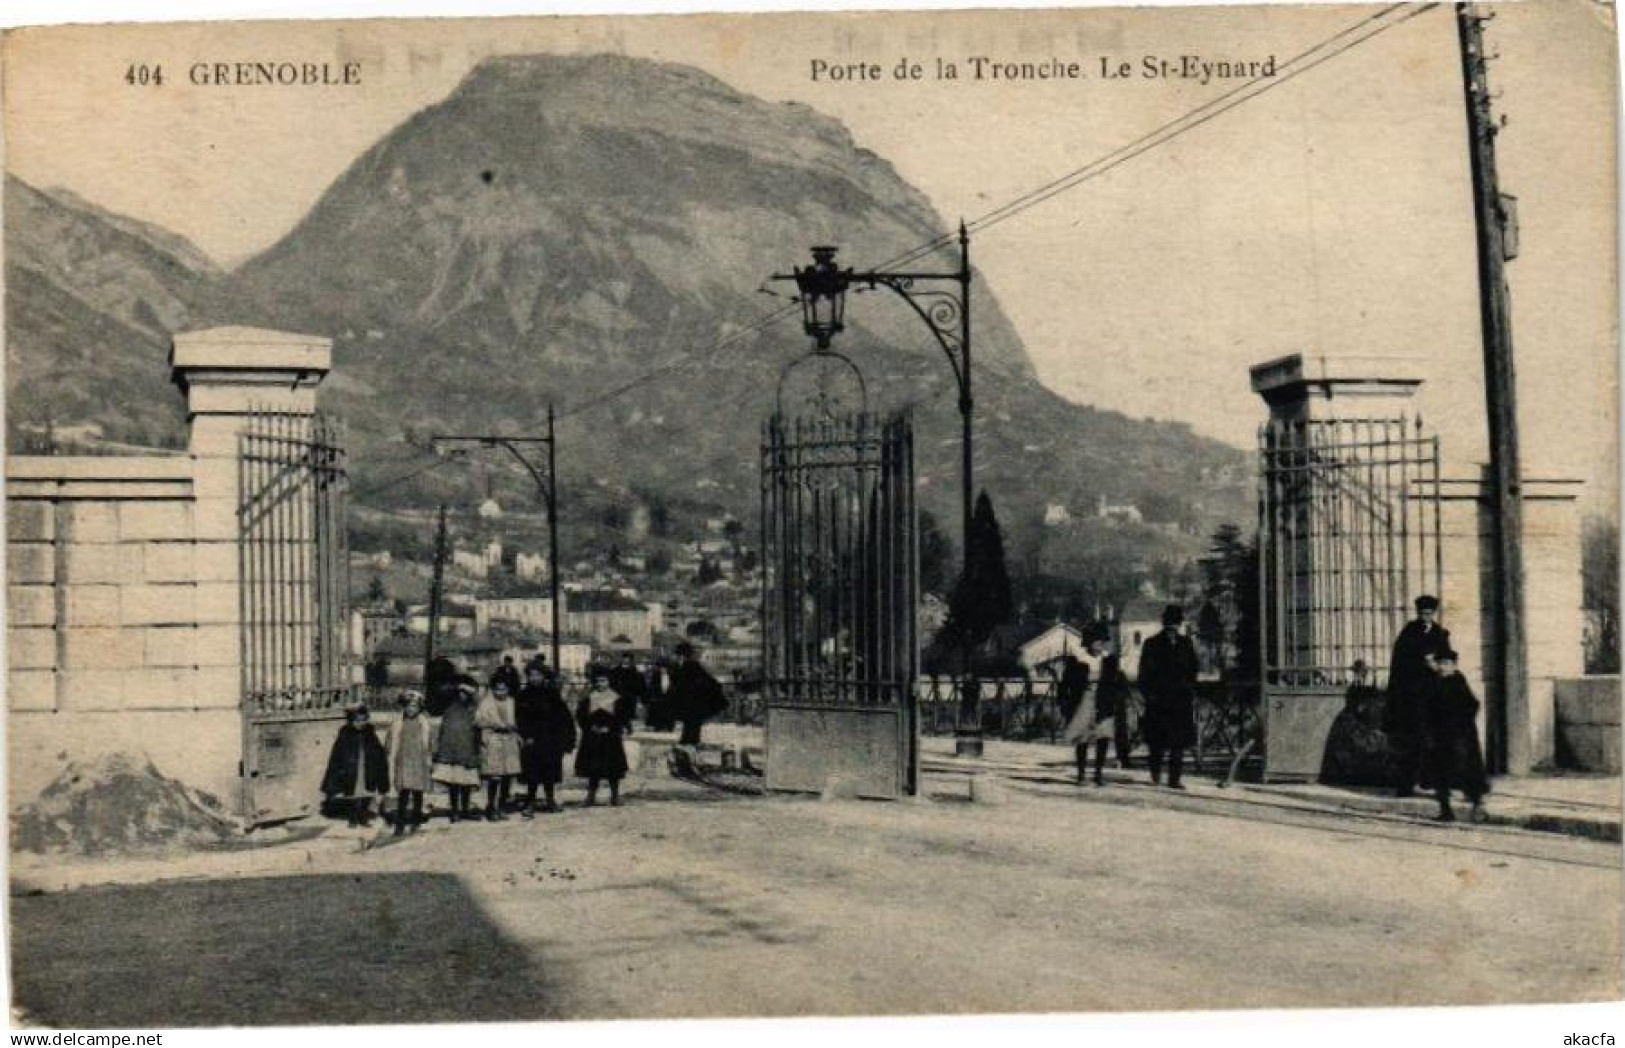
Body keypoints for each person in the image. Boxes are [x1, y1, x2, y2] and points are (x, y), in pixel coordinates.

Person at [1385, 595, 1452, 797]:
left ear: (1434, 613)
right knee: (1410, 742)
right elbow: (1399, 663)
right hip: (1411, 697)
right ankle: (1405, 784)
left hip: (1432, 697)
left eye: (1430, 613)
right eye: (1423, 613)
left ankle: (1428, 780)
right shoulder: (1409, 632)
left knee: (1432, 740)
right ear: (1418, 613)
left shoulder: (1441, 634)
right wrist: (1420, 661)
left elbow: (1448, 660)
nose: (1426, 617)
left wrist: (1438, 665)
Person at [1422, 648, 1490, 823]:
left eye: (1447, 664)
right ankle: (1446, 811)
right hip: (1440, 736)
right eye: (1441, 663)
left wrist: (1461, 722)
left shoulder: (1458, 681)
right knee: (1440, 774)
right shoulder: (1433, 683)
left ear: (1454, 665)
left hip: (1460, 736)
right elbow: (1427, 710)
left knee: (1467, 771)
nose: (1443, 667)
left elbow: (1473, 704)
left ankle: (1477, 807)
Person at [1137, 605, 1200, 789]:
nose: (1173, 627)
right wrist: (1150, 697)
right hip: (1159, 701)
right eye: (1170, 623)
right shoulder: (1152, 643)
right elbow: (1144, 675)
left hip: (1180, 701)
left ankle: (1174, 778)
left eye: (1176, 623)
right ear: (1164, 623)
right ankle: (1155, 774)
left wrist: (1189, 688)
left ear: (1179, 624)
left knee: (1178, 742)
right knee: (1157, 741)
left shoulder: (1186, 643)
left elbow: (1193, 668)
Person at [516, 662, 576, 816]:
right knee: (531, 773)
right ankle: (530, 802)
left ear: (544, 676)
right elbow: (519, 718)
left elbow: (563, 717)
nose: (534, 678)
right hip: (531, 741)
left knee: (550, 771)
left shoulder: (552, 694)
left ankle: (550, 800)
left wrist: (566, 738)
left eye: (538, 675)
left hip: (550, 740)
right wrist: (525, 736)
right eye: (531, 675)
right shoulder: (523, 695)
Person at [321, 703, 390, 827]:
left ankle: (363, 817)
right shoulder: (345, 734)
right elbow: (337, 754)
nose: (360, 723)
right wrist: (338, 772)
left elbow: (378, 752)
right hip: (351, 770)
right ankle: (352, 818)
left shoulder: (370, 733)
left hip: (365, 769)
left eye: (363, 720)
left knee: (365, 794)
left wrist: (378, 765)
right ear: (351, 720)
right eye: (357, 720)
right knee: (352, 795)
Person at [1063, 635, 1118, 786]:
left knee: (1103, 736)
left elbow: (1116, 682)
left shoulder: (1109, 660)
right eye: (1096, 640)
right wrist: (1066, 703)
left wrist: (1113, 699)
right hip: (1084, 699)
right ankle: (1081, 773)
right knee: (1082, 737)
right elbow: (1067, 683)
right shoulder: (1079, 659)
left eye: (1102, 641)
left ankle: (1098, 774)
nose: (1100, 644)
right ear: (1089, 643)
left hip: (1103, 701)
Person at [575, 672, 634, 805]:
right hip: (593, 737)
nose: (600, 684)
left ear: (609, 682)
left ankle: (615, 796)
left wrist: (612, 727)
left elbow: (622, 717)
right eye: (598, 681)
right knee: (593, 768)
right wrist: (590, 727)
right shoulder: (589, 698)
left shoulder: (616, 698)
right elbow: (581, 716)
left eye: (603, 681)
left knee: (613, 768)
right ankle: (590, 796)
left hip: (610, 737)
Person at [431, 677, 481, 823]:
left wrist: (477, 750)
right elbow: (445, 731)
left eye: (466, 693)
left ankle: (465, 810)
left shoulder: (474, 710)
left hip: (468, 750)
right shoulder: (451, 709)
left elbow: (477, 730)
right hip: (452, 752)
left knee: (466, 782)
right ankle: (455, 810)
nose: (462, 696)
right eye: (460, 693)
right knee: (454, 783)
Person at [386, 691, 435, 835]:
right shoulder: (398, 723)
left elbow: (430, 743)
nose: (411, 709)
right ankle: (400, 823)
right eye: (408, 706)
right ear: (404, 707)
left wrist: (429, 757)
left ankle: (416, 820)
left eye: (414, 706)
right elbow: (390, 742)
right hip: (404, 760)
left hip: (419, 761)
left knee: (418, 793)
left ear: (420, 708)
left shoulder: (424, 724)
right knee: (404, 793)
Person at [475, 677, 523, 820]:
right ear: (493, 689)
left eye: (504, 689)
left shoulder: (511, 702)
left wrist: (515, 729)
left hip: (509, 740)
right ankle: (491, 806)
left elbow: (518, 719)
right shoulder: (486, 704)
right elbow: (478, 720)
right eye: (497, 689)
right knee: (494, 775)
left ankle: (502, 805)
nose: (500, 692)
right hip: (493, 739)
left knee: (507, 774)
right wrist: (495, 725)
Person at [669, 642, 726, 746]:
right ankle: (689, 742)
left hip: (692, 702)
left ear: (681, 655)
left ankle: (689, 743)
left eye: (677, 655)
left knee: (691, 724)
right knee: (692, 724)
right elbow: (711, 681)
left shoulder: (690, 666)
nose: (675, 657)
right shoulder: (689, 666)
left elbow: (680, 683)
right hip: (692, 703)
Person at [609, 654, 648, 728]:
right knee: (618, 713)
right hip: (618, 695)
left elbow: (640, 685)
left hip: (630, 696)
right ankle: (621, 727)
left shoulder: (635, 671)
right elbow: (612, 683)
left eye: (628, 659)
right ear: (622, 659)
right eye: (624, 658)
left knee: (628, 713)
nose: (626, 660)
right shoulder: (615, 671)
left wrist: (640, 696)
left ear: (631, 660)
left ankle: (627, 726)